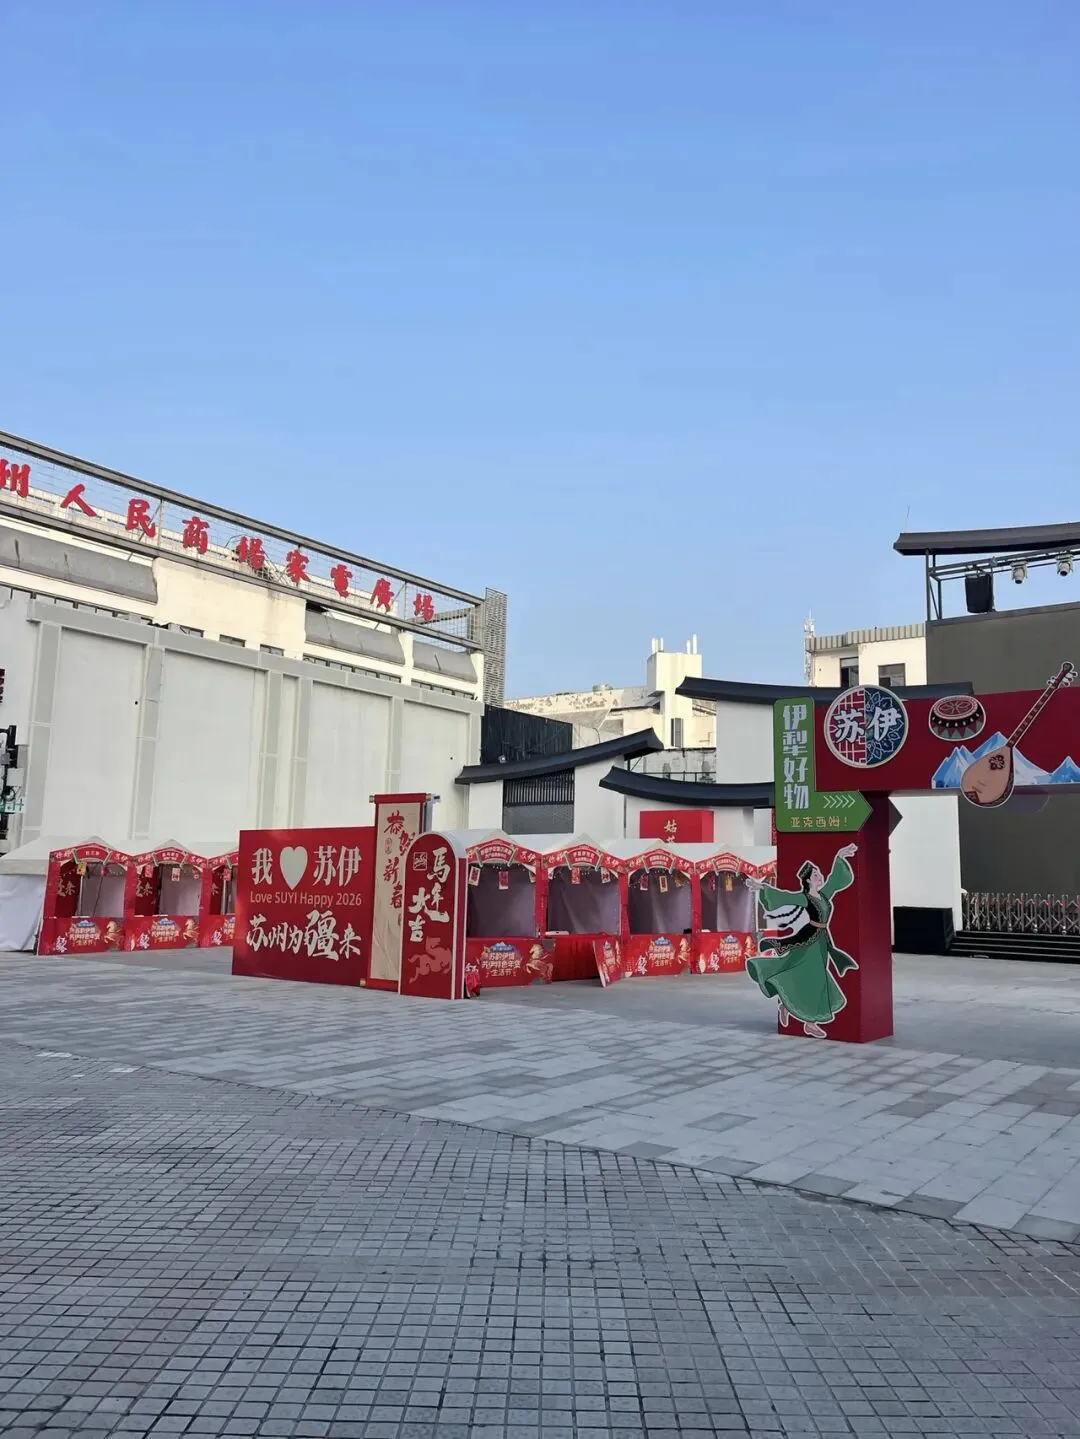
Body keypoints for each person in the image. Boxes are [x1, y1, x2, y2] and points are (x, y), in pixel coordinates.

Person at [745, 844, 859, 1038]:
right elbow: (784, 896)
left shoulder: (823, 895)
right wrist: (763, 887)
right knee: (812, 979)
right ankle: (809, 1023)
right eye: (815, 875)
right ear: (807, 880)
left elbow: (835, 880)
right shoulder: (805, 898)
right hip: (807, 942)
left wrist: (840, 856)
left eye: (818, 873)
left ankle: (786, 1005)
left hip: (821, 942)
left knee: (810, 978)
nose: (819, 876)